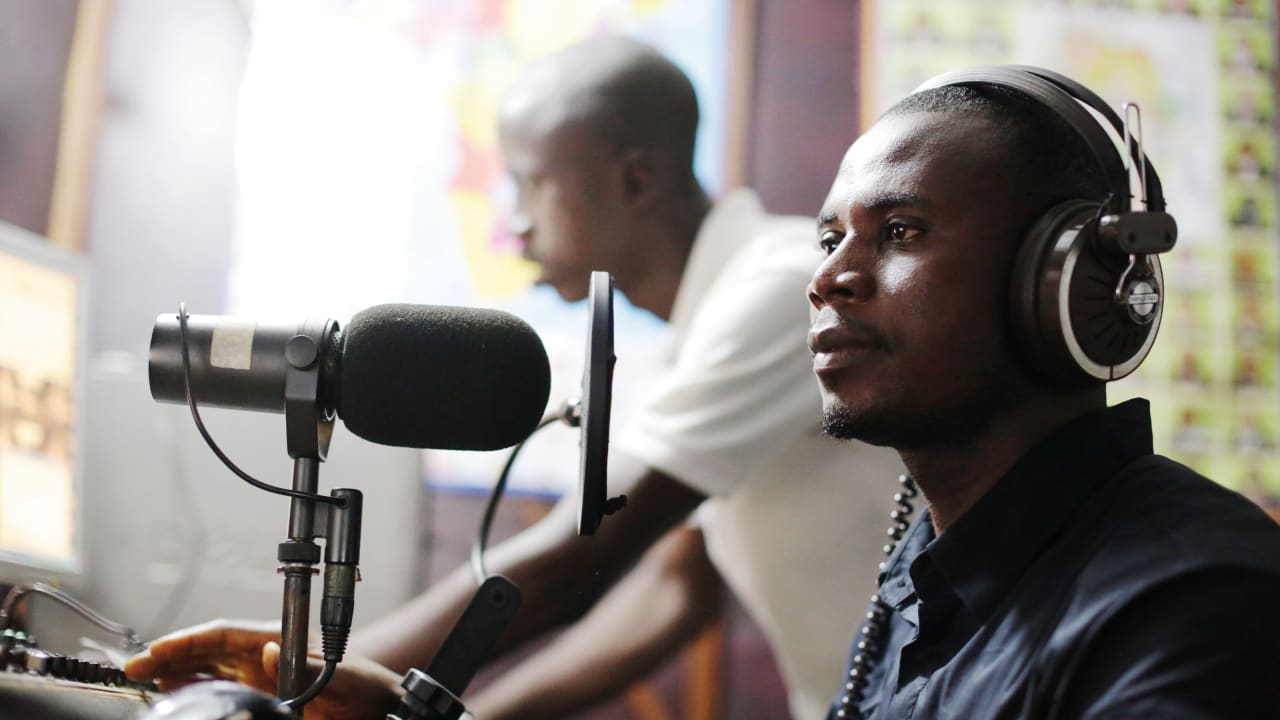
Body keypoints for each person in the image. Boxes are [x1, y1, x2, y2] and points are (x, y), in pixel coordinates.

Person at [126, 36, 904, 719]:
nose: (513, 220)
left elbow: (577, 558)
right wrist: (438, 711)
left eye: (531, 183)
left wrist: (305, 676)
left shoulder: (776, 289)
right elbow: (674, 589)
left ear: (633, 182)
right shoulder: (696, 331)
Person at [807, 66, 1280, 718]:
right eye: (831, 240)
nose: (829, 278)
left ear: (1069, 281)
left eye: (900, 232)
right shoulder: (926, 575)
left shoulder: (1197, 596)